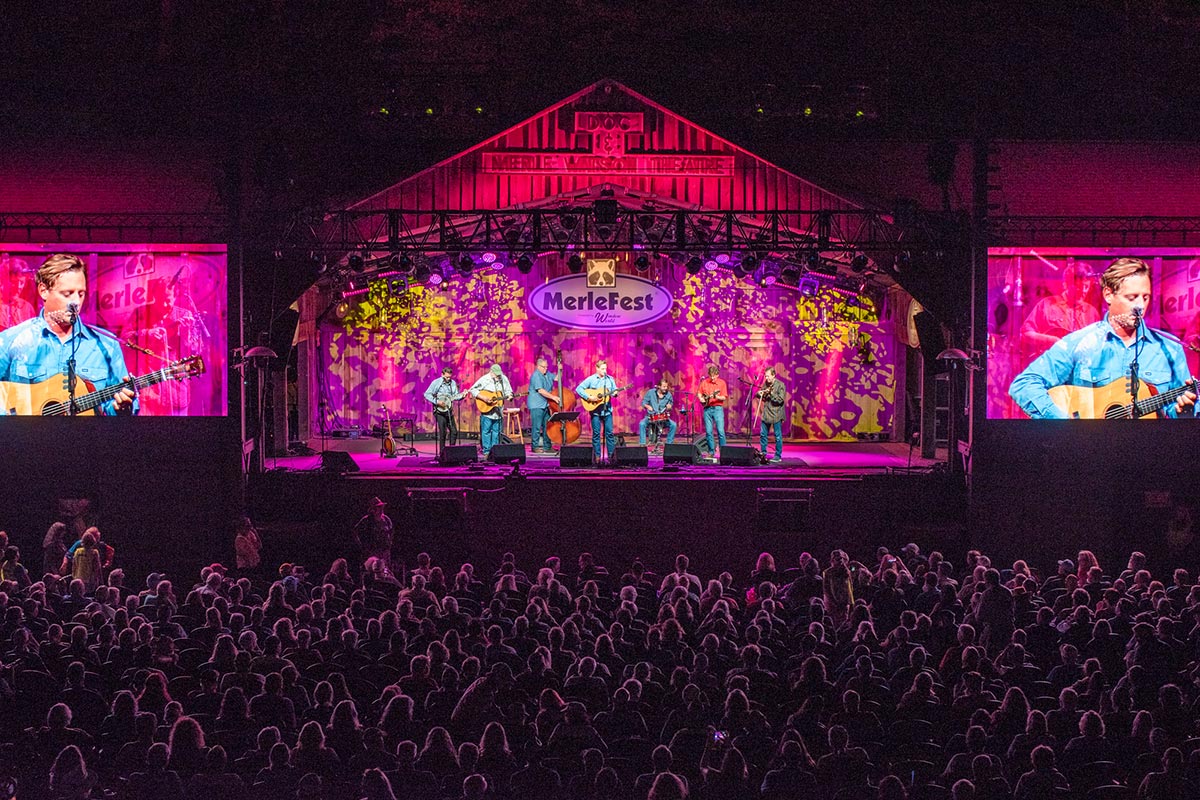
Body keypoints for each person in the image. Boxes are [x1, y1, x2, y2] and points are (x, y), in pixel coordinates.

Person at [1009, 256, 1196, 419]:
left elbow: (1176, 411)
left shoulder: (1170, 349)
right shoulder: (1078, 343)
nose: (1140, 305)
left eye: (1145, 297)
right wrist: (1063, 425)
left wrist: (1183, 410)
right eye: (1132, 297)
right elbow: (1024, 384)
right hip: (1089, 452)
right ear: (1108, 294)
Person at [0, 253, 136, 415]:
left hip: (86, 439)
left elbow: (116, 410)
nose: (76, 302)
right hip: (24, 439)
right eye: (67, 294)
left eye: (81, 293)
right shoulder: (10, 340)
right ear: (43, 291)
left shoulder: (107, 346)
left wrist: (122, 407)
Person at [1018, 260, 1100, 364]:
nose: (1083, 291)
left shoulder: (1092, 312)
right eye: (1079, 287)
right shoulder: (1046, 305)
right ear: (1066, 284)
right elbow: (1025, 334)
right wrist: (1051, 340)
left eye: (1086, 287)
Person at [576, 358, 622, 464]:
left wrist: (615, 394)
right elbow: (579, 389)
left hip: (607, 411)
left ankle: (611, 456)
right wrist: (589, 397)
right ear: (597, 369)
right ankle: (597, 455)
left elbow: (615, 391)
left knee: (609, 433)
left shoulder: (610, 379)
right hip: (595, 411)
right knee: (596, 433)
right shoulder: (591, 379)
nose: (604, 371)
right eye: (602, 369)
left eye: (605, 369)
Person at [469, 364, 512, 457]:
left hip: (498, 410)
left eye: (499, 375)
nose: (498, 377)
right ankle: (487, 451)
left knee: (497, 431)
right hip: (487, 410)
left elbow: (508, 391)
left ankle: (494, 451)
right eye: (496, 375)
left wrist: (510, 395)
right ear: (491, 372)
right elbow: (472, 390)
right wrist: (483, 398)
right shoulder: (485, 379)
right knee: (486, 431)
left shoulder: (503, 379)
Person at [424, 366, 466, 452]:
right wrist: (437, 402)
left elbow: (455, 396)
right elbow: (427, 394)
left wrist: (462, 395)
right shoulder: (436, 382)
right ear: (442, 374)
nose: (448, 379)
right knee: (443, 432)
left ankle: (451, 451)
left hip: (448, 410)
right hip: (439, 411)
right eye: (446, 377)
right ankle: (442, 453)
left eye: (449, 377)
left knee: (454, 431)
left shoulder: (452, 383)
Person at [353, 497, 394, 573]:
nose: (381, 509)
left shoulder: (386, 519)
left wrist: (389, 542)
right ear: (374, 509)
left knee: (385, 570)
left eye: (381, 507)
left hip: (384, 550)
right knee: (372, 570)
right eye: (379, 507)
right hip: (372, 550)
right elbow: (355, 531)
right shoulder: (367, 520)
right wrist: (361, 545)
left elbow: (391, 531)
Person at [527, 355, 559, 453]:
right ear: (538, 366)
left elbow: (557, 378)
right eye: (544, 367)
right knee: (537, 427)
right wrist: (553, 397)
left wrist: (560, 368)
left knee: (547, 426)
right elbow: (541, 390)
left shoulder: (547, 373)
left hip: (545, 404)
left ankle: (547, 446)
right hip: (536, 405)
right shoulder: (536, 375)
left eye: (546, 367)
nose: (546, 369)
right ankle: (535, 446)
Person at [756, 367, 786, 463]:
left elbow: (780, 400)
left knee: (777, 436)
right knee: (763, 434)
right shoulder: (766, 384)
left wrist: (771, 393)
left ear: (773, 375)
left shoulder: (780, 385)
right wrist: (759, 394)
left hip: (776, 413)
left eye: (768, 376)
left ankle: (777, 455)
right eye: (765, 376)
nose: (766, 378)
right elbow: (763, 395)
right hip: (766, 413)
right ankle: (763, 453)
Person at [698, 364, 728, 457]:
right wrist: (701, 399)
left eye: (714, 376)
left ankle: (724, 452)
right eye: (711, 376)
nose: (712, 378)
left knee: (720, 431)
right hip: (707, 409)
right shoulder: (705, 382)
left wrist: (717, 396)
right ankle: (711, 452)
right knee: (708, 431)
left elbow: (724, 397)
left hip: (717, 409)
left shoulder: (722, 383)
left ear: (717, 375)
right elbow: (699, 392)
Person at [639, 377, 677, 450]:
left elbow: (670, 407)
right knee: (642, 424)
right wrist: (648, 406)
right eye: (664, 386)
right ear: (659, 386)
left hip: (663, 417)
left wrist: (669, 407)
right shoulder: (650, 392)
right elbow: (643, 402)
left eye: (666, 386)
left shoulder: (669, 395)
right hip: (651, 416)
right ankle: (642, 444)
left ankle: (669, 444)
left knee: (673, 425)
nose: (665, 388)